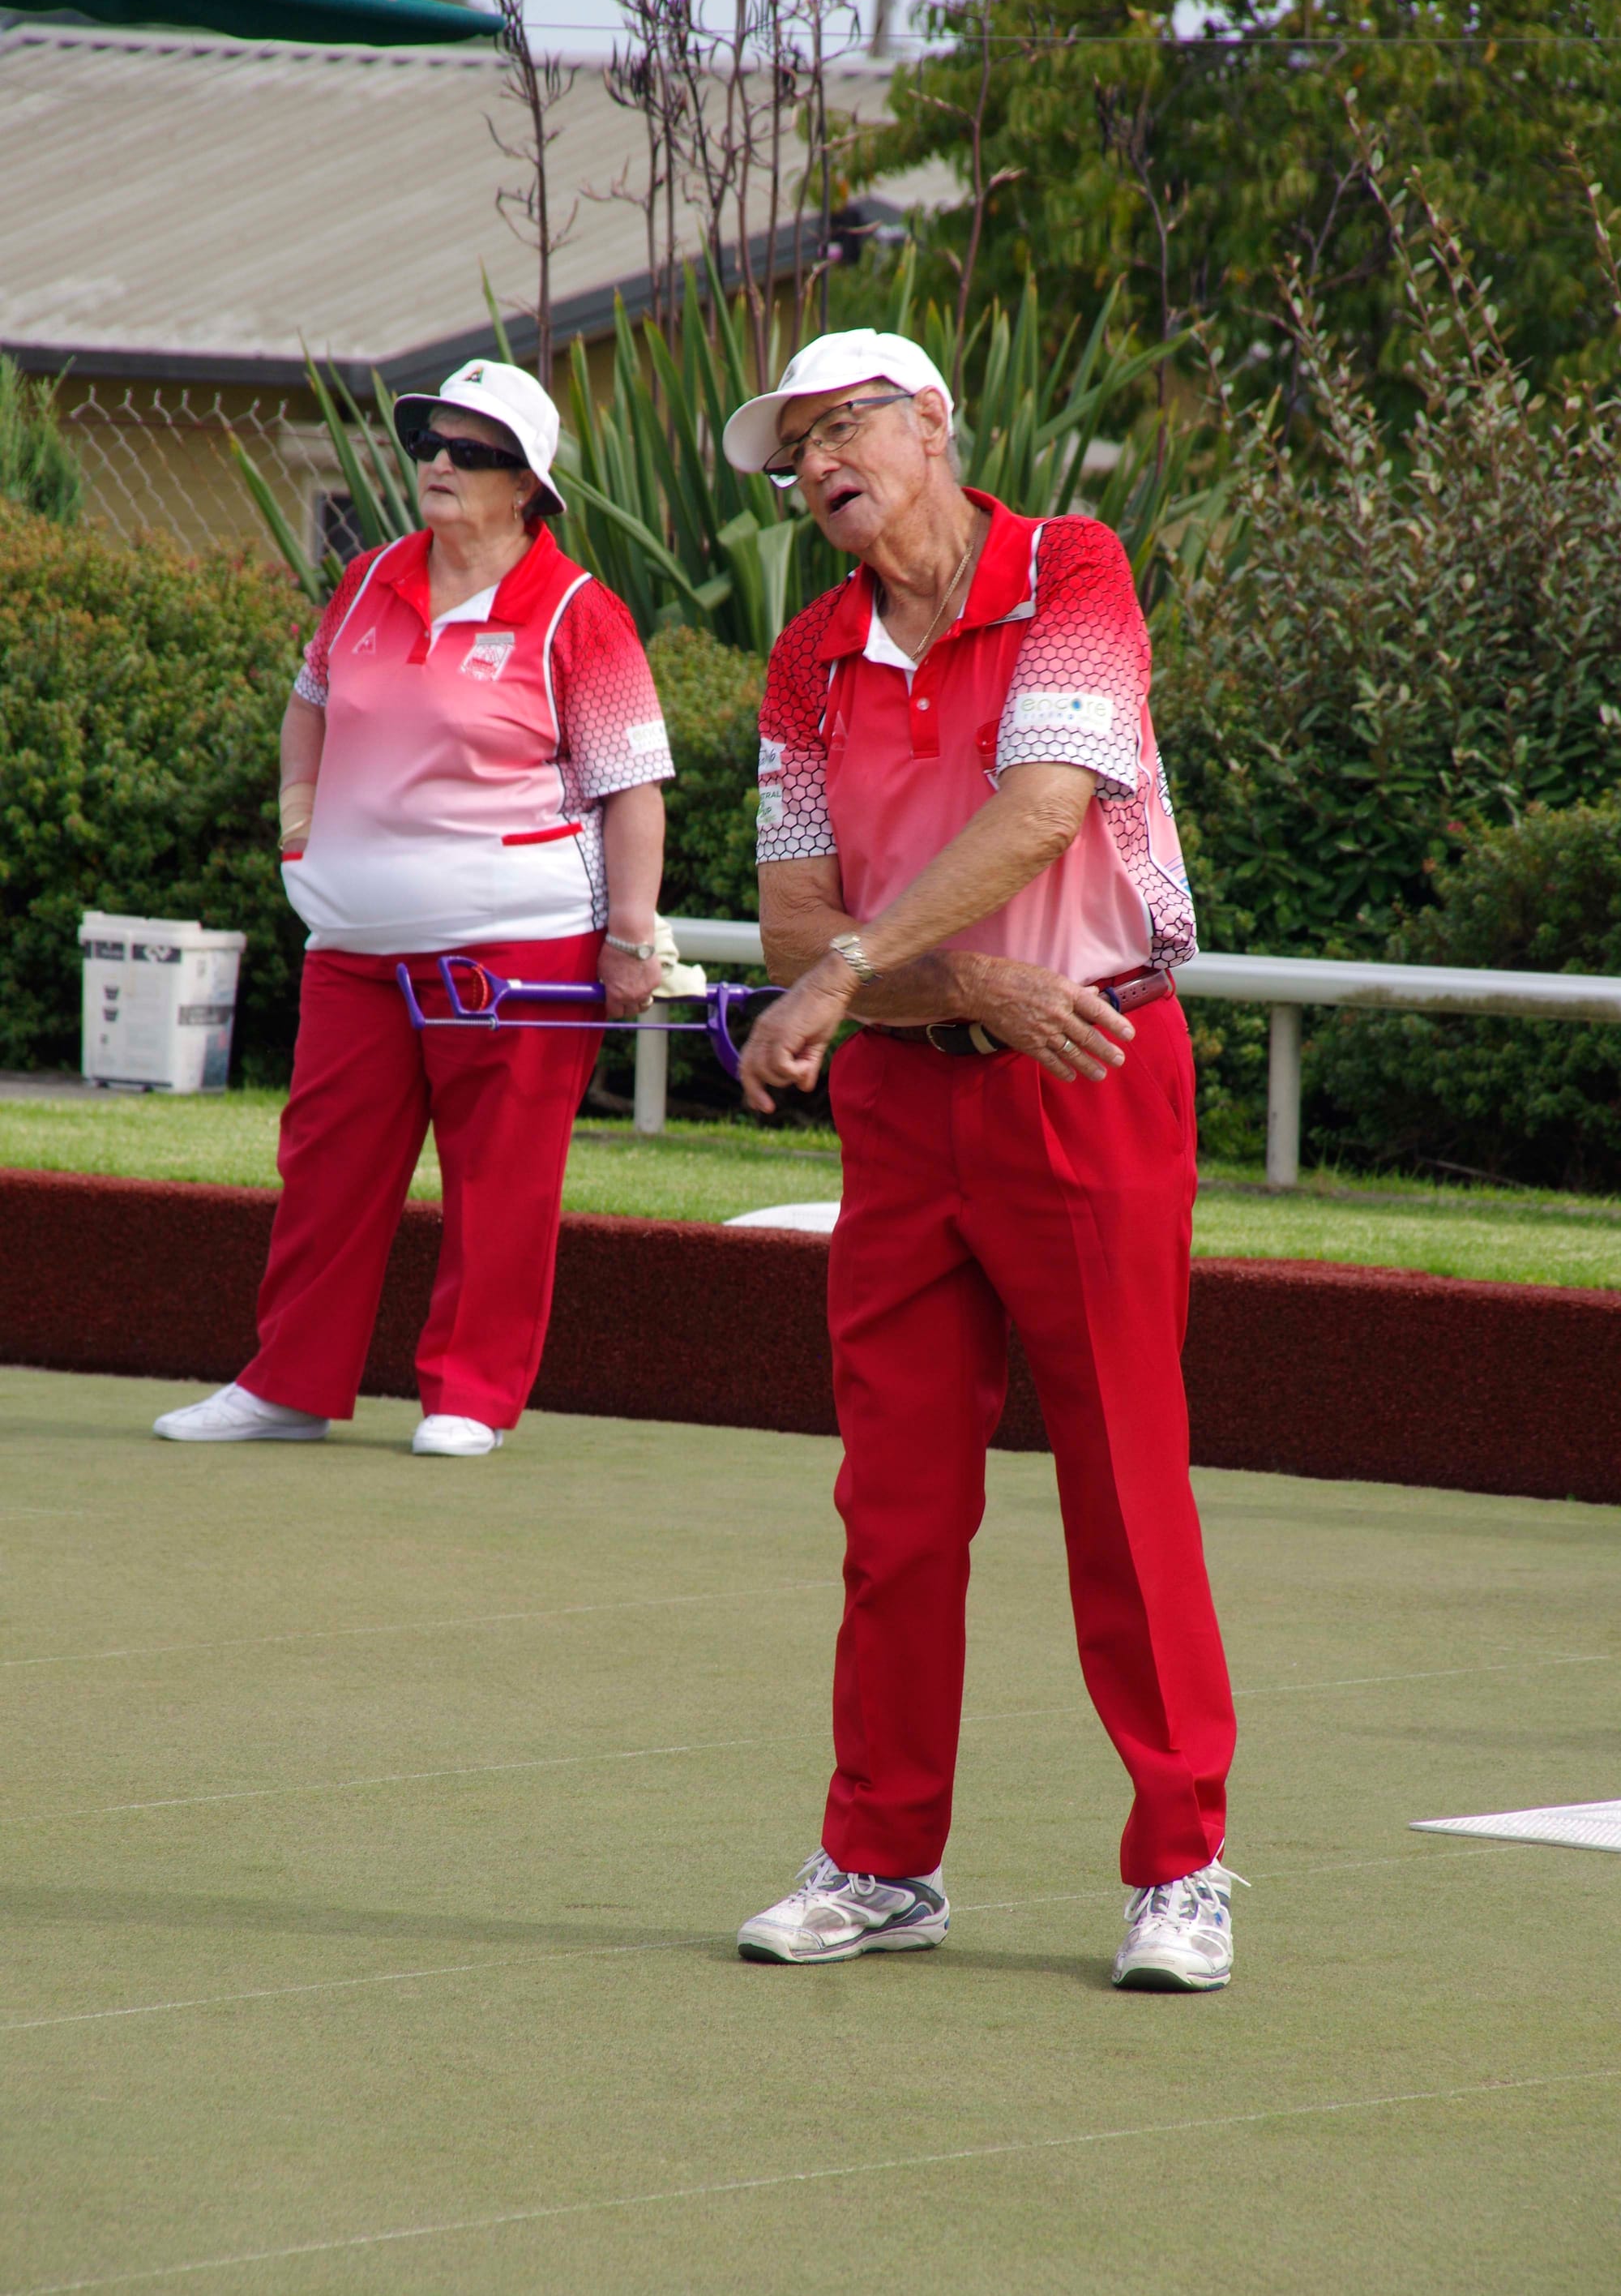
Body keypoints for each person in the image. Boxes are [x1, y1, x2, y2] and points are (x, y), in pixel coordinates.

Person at [723, 331, 1241, 1988]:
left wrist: (854, 973)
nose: (817, 465)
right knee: (894, 1501)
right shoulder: (807, 656)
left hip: (1089, 1066)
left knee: (1124, 1483)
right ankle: (881, 1859)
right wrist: (949, 987)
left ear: (934, 423)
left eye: (842, 427)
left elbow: (1044, 807)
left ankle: (1182, 1867)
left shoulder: (1070, 567)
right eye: (794, 451)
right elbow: (791, 919)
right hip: (908, 1095)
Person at [154, 360, 673, 1459]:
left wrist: (632, 937)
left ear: (527, 486)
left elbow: (634, 787)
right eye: (429, 443)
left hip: (519, 947)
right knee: (326, 1167)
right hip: (356, 943)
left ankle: (470, 1397)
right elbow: (310, 705)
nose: (439, 463)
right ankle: (287, 1384)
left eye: (471, 452)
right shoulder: (367, 579)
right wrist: (300, 821)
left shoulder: (580, 612)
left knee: (502, 1178)